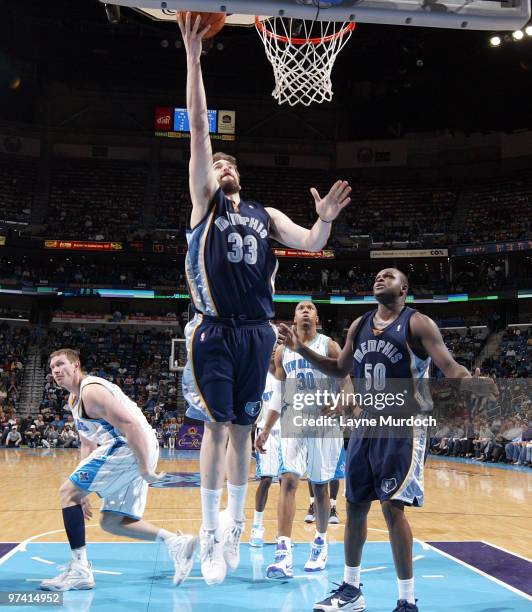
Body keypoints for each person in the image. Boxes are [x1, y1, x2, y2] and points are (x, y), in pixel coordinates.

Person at [176, 13, 352, 586]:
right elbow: (200, 130)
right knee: (216, 428)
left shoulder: (263, 215)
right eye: (213, 162)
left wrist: (323, 222)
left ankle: (230, 524)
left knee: (243, 432)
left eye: (228, 163)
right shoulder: (207, 204)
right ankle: (209, 531)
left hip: (256, 333)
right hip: (211, 327)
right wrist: (195, 58)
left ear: (240, 176)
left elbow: (311, 242)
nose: (219, 164)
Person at [279, 269, 497, 612]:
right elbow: (339, 369)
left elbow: (449, 366)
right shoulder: (359, 325)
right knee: (355, 504)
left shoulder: (418, 323)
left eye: (389, 276)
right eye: (377, 276)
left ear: (404, 289)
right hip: (366, 423)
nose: (380, 278)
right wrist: (299, 351)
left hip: (403, 423)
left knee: (392, 506)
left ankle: (407, 601)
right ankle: (351, 591)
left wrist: (469, 382)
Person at [40, 349, 198, 592]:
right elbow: (87, 443)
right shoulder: (74, 400)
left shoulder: (91, 391)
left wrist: (145, 468)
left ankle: (80, 569)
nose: (56, 371)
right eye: (52, 368)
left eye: (61, 364)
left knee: (66, 492)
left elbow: (131, 425)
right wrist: (81, 493)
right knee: (112, 522)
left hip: (131, 445)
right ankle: (176, 542)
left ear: (76, 365)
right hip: (133, 446)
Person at [256, 302, 353, 578]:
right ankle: (283, 551)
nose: (306, 310)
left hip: (324, 422)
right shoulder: (281, 351)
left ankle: (320, 542)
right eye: (301, 308)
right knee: (287, 480)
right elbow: (277, 394)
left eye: (311, 308)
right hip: (293, 421)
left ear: (317, 317)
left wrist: (340, 402)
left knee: (320, 488)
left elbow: (347, 385)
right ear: (295, 317)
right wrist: (265, 428)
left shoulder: (330, 346)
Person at [249, 350, 282, 548]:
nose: (272, 352)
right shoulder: (259, 377)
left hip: (289, 431)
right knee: (266, 480)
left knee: (288, 483)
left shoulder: (289, 373)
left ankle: (282, 533)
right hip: (266, 432)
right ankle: (257, 527)